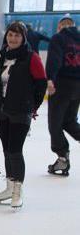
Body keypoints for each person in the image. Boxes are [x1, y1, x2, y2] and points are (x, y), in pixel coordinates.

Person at [0, 22, 47, 209]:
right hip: (2, 110)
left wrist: (32, 107)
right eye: (10, 35)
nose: (13, 39)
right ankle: (9, 186)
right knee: (6, 150)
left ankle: (18, 191)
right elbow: (1, 82)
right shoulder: (4, 56)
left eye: (17, 36)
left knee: (15, 150)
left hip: (21, 111)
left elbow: (41, 85)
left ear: (23, 38)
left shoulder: (31, 58)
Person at [45, 15, 80, 176]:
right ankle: (62, 157)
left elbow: (55, 59)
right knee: (69, 121)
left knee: (55, 123)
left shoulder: (59, 38)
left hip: (62, 85)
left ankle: (62, 157)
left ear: (61, 27)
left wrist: (50, 78)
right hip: (78, 86)